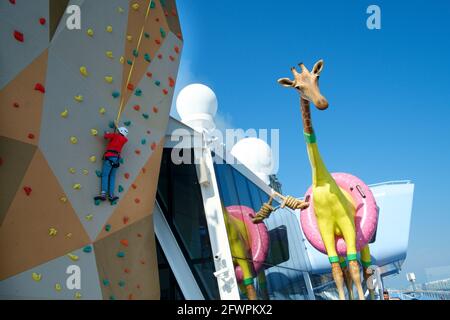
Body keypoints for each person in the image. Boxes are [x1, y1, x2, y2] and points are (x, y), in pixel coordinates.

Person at [94, 123, 129, 204]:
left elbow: (106, 136)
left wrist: (108, 132)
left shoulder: (115, 135)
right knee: (112, 176)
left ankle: (103, 194)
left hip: (110, 157)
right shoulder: (124, 140)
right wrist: (118, 130)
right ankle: (111, 195)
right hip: (117, 159)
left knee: (105, 175)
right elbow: (120, 137)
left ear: (119, 131)